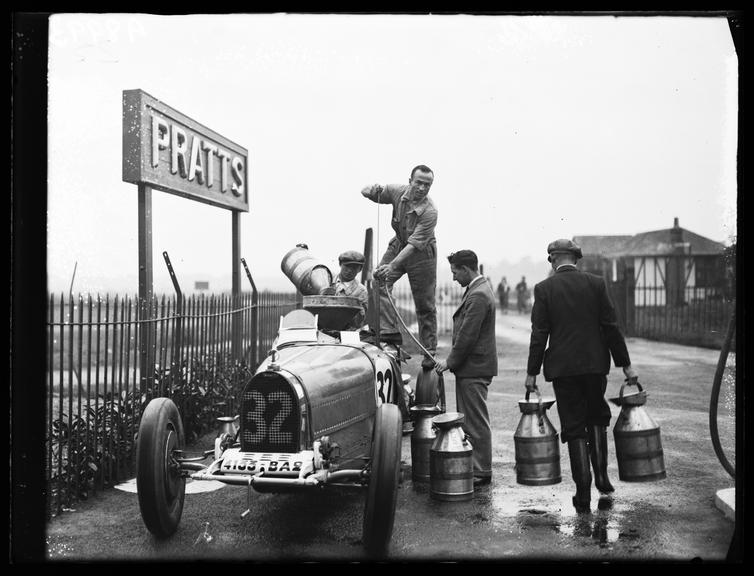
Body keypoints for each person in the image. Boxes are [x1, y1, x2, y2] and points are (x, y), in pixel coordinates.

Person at [523, 238, 638, 513]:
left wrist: (531, 372)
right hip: (595, 365)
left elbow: (539, 335)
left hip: (563, 370)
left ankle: (582, 489)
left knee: (573, 424)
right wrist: (626, 365)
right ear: (576, 259)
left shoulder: (544, 289)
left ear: (553, 260)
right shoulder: (596, 284)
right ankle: (602, 476)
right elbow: (611, 327)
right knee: (597, 416)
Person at [361, 165, 438, 369]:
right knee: (379, 281)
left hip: (421, 254)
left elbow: (414, 245)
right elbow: (368, 192)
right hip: (399, 244)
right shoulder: (397, 191)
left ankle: (428, 352)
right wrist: (371, 190)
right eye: (419, 182)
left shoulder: (430, 211)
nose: (422, 188)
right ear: (410, 180)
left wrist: (392, 265)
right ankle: (388, 332)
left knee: (425, 306)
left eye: (427, 185)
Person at [435, 250, 497, 487]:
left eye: (454, 272)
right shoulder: (477, 290)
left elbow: (467, 336)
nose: (453, 278)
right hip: (473, 367)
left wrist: (449, 362)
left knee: (474, 421)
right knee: (472, 419)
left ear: (466, 269)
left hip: (474, 368)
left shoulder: (478, 295)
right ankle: (478, 467)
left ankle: (481, 470)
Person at [326, 250, 369, 330]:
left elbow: (359, 320)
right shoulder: (327, 281)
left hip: (346, 332)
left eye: (354, 268)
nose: (349, 270)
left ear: (360, 269)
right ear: (340, 264)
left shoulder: (361, 291)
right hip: (323, 328)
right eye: (347, 266)